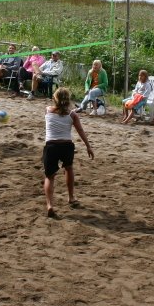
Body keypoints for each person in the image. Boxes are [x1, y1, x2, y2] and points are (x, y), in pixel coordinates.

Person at [42, 87, 94, 217]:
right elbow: (80, 131)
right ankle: (71, 197)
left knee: (50, 176)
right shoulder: (72, 115)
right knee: (69, 169)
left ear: (55, 99)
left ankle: (50, 205)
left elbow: (55, 110)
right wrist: (88, 146)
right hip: (66, 146)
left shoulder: (48, 110)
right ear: (68, 99)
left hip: (51, 146)